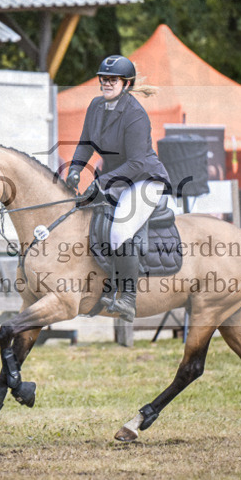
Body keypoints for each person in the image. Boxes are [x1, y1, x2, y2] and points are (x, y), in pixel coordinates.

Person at [65, 55, 170, 321]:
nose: (106, 83)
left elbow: (135, 163)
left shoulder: (136, 115)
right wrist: (76, 168)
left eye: (112, 79)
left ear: (126, 83)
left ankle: (128, 298)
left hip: (144, 180)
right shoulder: (96, 106)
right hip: (114, 178)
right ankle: (104, 285)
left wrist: (101, 182)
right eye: (103, 78)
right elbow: (86, 142)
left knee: (120, 230)